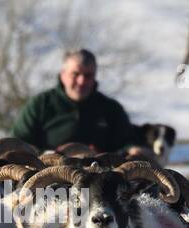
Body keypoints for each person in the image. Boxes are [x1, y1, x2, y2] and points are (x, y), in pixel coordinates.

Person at [12, 49, 141, 153]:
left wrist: (130, 151)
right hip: (45, 178)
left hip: (98, 178)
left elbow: (126, 144)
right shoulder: (40, 104)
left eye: (88, 76)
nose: (81, 81)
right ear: (63, 75)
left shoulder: (111, 109)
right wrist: (47, 155)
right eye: (75, 74)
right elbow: (18, 143)